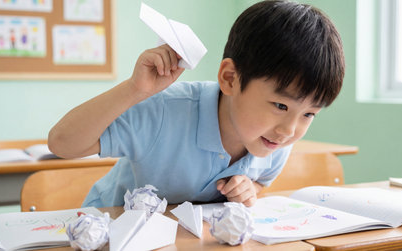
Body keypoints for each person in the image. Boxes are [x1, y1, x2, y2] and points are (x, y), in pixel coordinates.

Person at [48, 0, 345, 208]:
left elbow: (260, 183)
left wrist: (248, 190)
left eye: (309, 114)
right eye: (280, 106)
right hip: (111, 232)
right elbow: (62, 143)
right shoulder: (165, 112)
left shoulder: (274, 142)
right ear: (230, 78)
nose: (289, 130)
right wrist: (134, 90)